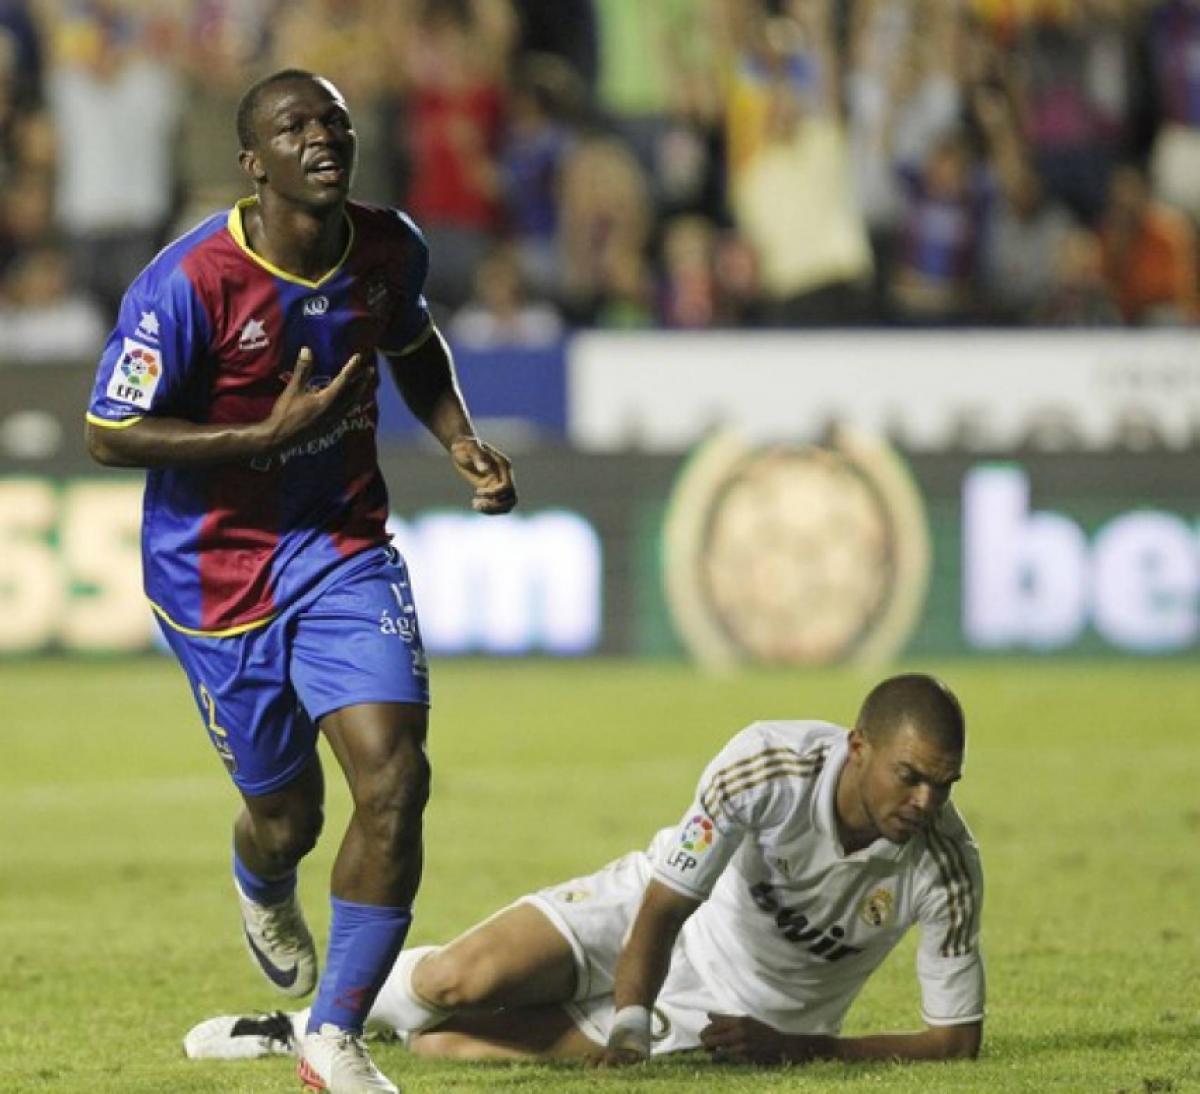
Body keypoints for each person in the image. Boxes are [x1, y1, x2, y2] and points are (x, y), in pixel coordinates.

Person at [84, 69, 517, 1094]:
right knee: (289, 814)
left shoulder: (388, 247)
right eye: (294, 126)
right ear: (253, 162)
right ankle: (263, 878)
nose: (321, 137)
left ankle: (333, 1035)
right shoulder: (188, 282)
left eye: (335, 121)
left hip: (339, 544)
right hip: (213, 574)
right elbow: (108, 430)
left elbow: (410, 338)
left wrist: (457, 435)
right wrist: (259, 432)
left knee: (396, 774)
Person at [185, 673, 984, 1070]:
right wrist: (630, 1016)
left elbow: (955, 1042)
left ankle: (358, 1032)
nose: (925, 801)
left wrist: (805, 1047)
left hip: (731, 1014)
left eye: (942, 785)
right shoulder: (764, 765)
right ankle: (293, 1028)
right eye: (910, 776)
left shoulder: (945, 864)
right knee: (457, 980)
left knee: (445, 1045)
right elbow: (668, 904)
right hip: (652, 913)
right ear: (859, 747)